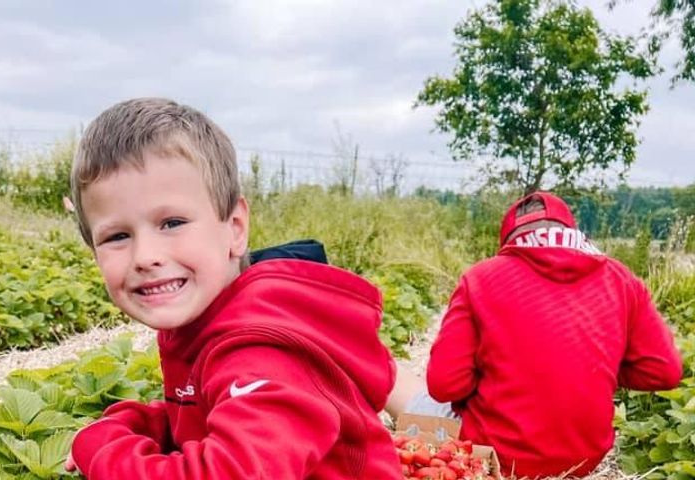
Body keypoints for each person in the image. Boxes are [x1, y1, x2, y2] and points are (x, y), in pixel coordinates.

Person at [63, 97, 401, 479]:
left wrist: (101, 451)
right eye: (117, 236)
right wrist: (141, 423)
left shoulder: (262, 350)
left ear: (235, 229)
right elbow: (206, 414)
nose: (146, 255)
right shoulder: (201, 322)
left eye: (172, 223)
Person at [413, 191, 683, 478]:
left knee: (404, 387)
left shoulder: (481, 278)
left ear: (509, 241)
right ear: (570, 232)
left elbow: (444, 385)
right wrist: (590, 368)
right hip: (584, 461)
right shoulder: (621, 278)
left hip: (495, 458)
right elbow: (664, 371)